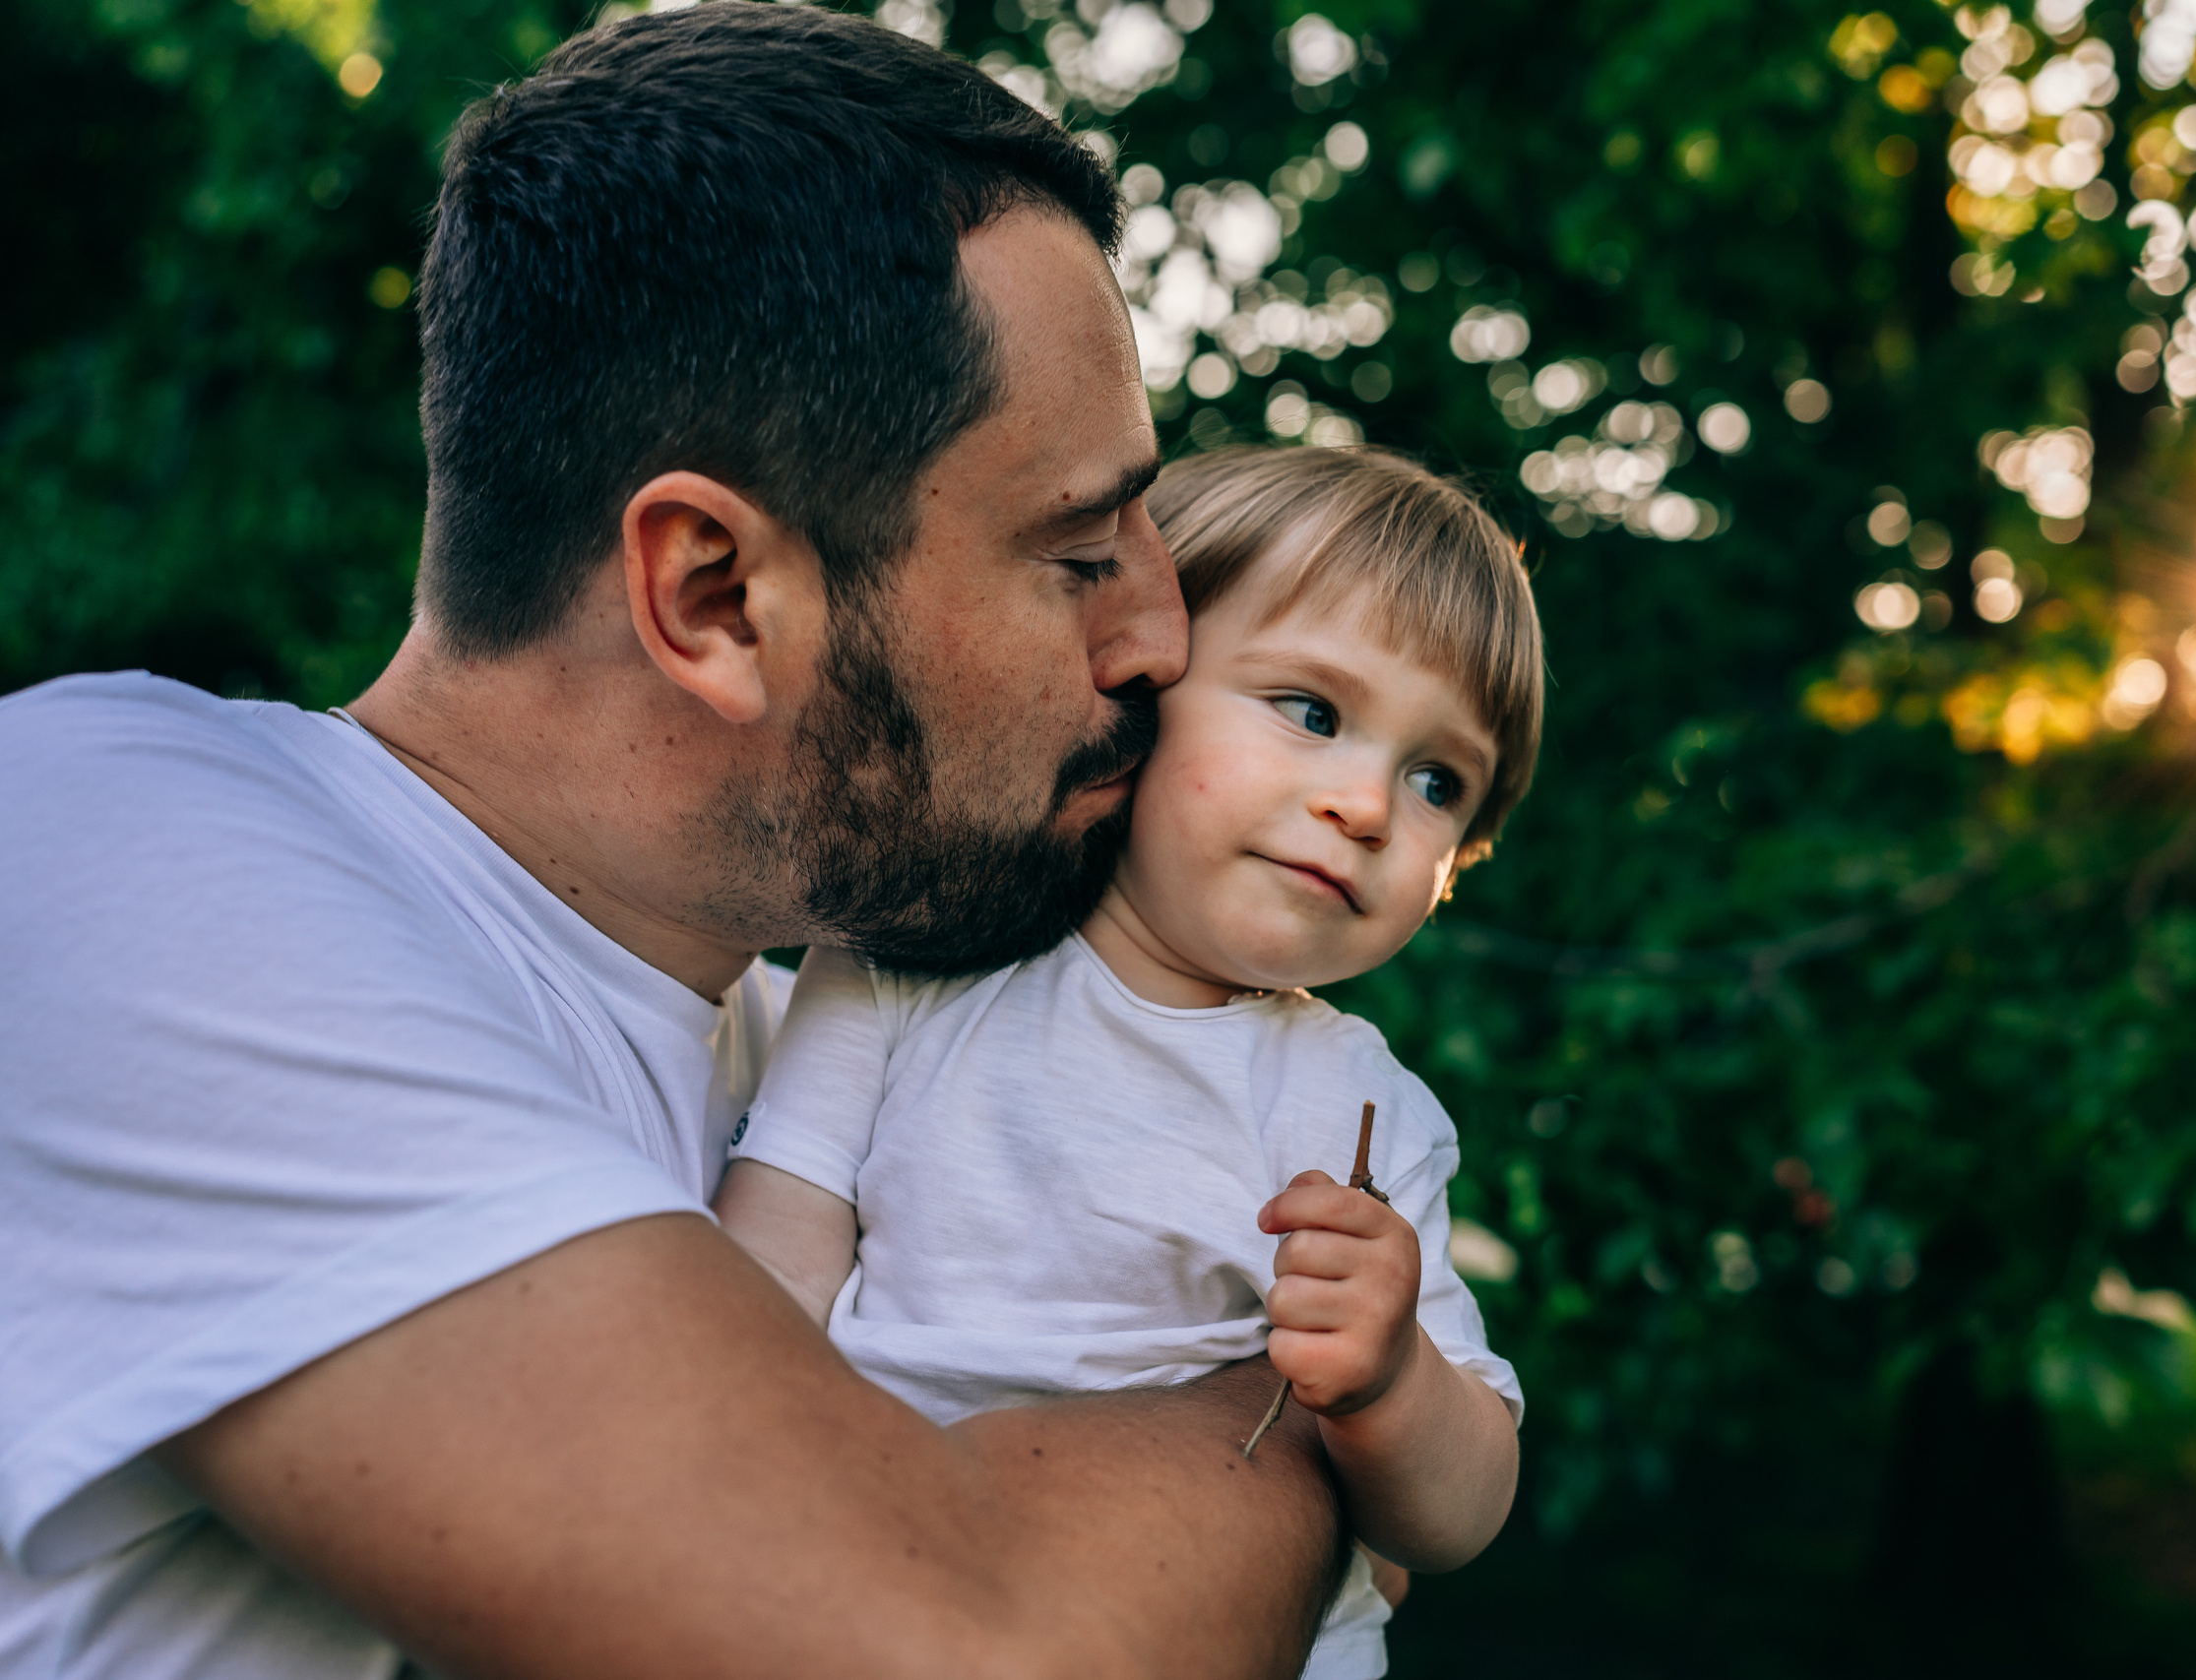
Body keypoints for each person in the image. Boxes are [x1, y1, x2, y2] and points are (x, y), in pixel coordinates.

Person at [0, 8, 1350, 1676]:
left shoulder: (830, 1088)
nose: (1163, 634)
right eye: (1078, 551)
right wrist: (1328, 1417)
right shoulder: (103, 838)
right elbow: (963, 1649)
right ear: (712, 595)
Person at [715, 444, 1541, 1680]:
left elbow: (1454, 1520)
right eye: (1313, 713)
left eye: (1438, 781)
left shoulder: (1362, 1108)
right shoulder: (905, 963)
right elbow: (768, 1272)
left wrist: (1388, 1385)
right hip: (885, 1575)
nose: (1368, 806)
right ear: (1137, 680)